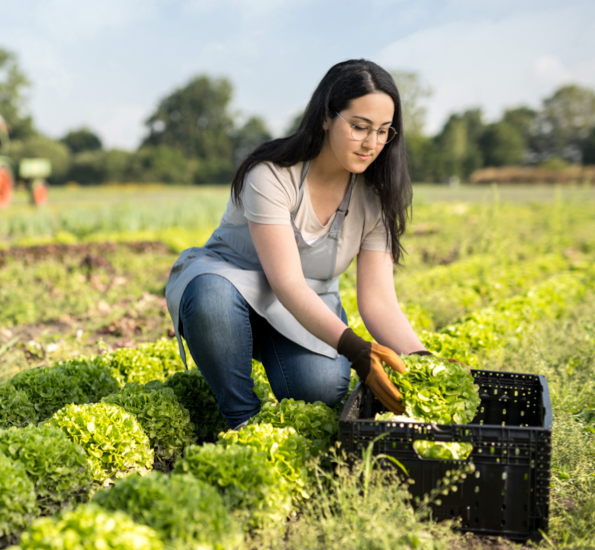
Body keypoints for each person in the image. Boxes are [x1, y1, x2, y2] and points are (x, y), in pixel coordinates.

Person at [165, 59, 438, 430]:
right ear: (326, 117)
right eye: (359, 127)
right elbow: (287, 282)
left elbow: (379, 302)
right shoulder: (271, 175)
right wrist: (356, 349)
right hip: (230, 286)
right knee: (212, 296)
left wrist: (423, 361)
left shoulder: (376, 198)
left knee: (322, 388)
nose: (371, 143)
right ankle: (240, 416)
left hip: (303, 306)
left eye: (383, 131)